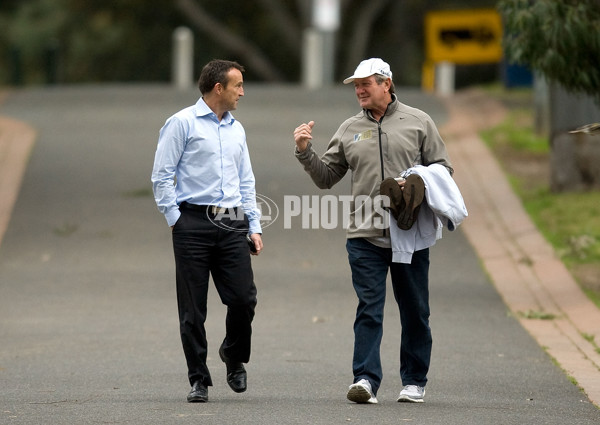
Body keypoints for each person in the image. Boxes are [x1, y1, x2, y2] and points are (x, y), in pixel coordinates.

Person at [293, 58, 453, 404]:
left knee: (415, 310)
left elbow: (443, 168)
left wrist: (417, 181)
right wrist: (305, 152)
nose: (360, 91)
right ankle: (365, 379)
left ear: (387, 84)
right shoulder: (349, 128)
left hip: (409, 232)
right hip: (364, 235)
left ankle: (414, 381)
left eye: (366, 84)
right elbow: (326, 177)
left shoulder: (419, 122)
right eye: (356, 86)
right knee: (369, 307)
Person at [152, 59, 263, 403]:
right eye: (237, 86)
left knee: (243, 299)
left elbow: (246, 179)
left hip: (231, 220)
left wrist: (254, 225)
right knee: (192, 309)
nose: (242, 92)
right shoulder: (181, 123)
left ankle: (233, 354)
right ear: (219, 88)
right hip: (192, 223)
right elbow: (161, 174)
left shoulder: (236, 129)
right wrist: (176, 218)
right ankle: (198, 378)